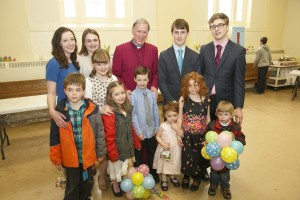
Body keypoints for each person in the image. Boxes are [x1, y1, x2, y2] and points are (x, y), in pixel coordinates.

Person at [49, 73, 106, 200]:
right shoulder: (59, 112)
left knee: (88, 182)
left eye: (78, 90)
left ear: (84, 91)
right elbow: (54, 138)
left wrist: (100, 152)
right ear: (65, 91)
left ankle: (86, 197)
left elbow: (100, 132)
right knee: (72, 186)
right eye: (70, 90)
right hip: (69, 158)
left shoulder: (92, 109)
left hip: (88, 155)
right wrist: (56, 158)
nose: (74, 93)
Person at [198, 13, 246, 124]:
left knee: (224, 137)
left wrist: (238, 107)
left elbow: (239, 81)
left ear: (227, 27)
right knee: (206, 133)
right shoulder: (205, 49)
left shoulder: (238, 51)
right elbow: (199, 76)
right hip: (206, 101)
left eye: (220, 25)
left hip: (226, 103)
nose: (216, 29)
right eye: (213, 26)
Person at [84, 49, 117, 194]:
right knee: (102, 149)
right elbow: (87, 103)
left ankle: (112, 174)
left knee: (112, 148)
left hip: (113, 120)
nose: (103, 67)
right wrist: (100, 109)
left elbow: (118, 96)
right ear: (93, 65)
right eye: (99, 64)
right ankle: (101, 176)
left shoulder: (113, 78)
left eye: (105, 63)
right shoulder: (89, 81)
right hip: (97, 121)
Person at [102, 81, 141, 197]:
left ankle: (126, 183)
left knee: (127, 168)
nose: (121, 96)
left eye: (123, 93)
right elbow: (109, 137)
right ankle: (115, 184)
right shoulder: (109, 113)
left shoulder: (127, 109)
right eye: (117, 94)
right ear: (110, 97)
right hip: (116, 149)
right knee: (116, 169)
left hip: (128, 146)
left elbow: (131, 127)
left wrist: (137, 142)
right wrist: (112, 153)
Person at [205, 101, 246, 200]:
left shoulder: (235, 126)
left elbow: (242, 139)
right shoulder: (212, 125)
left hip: (228, 155)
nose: (223, 117)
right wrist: (205, 142)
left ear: (232, 114)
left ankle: (225, 187)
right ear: (216, 114)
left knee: (225, 173)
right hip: (215, 155)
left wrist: (235, 139)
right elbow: (206, 137)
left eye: (226, 114)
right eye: (220, 114)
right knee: (214, 171)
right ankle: (213, 185)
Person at [178, 72, 210, 191]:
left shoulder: (205, 99)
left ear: (201, 86)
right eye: (190, 85)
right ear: (186, 86)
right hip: (187, 135)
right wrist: (178, 133)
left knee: (198, 157)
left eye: (196, 85)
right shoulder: (183, 99)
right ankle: (186, 175)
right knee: (187, 157)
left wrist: (208, 135)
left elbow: (208, 119)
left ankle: (197, 177)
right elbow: (180, 118)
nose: (193, 88)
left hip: (200, 136)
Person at [112, 18, 159, 99]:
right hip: (127, 97)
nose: (141, 35)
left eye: (144, 32)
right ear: (133, 31)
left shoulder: (153, 50)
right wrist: (124, 90)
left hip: (147, 96)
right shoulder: (120, 50)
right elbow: (116, 75)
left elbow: (155, 73)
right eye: (139, 31)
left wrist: (154, 86)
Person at [158, 18, 200, 104]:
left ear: (187, 34)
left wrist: (189, 100)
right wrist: (171, 101)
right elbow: (161, 81)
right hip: (170, 104)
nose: (179, 36)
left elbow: (197, 81)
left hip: (190, 103)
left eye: (183, 32)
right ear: (172, 33)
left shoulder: (195, 56)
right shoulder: (164, 56)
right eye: (176, 32)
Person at [131, 66, 160, 183]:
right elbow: (133, 116)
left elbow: (155, 112)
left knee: (152, 153)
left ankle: (153, 173)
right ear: (134, 80)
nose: (142, 83)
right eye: (139, 80)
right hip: (140, 132)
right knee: (138, 155)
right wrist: (138, 132)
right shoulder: (133, 96)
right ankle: (138, 175)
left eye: (144, 80)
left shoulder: (151, 94)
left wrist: (157, 128)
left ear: (148, 80)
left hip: (151, 130)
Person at [46, 27, 80, 128]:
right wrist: (52, 111)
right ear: (59, 43)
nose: (70, 43)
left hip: (77, 108)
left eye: (72, 39)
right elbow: (51, 93)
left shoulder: (74, 61)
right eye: (65, 40)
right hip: (64, 109)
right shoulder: (53, 63)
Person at [153, 102, 183, 191]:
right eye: (169, 116)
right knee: (165, 164)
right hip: (165, 149)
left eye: (174, 115)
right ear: (165, 115)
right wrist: (163, 144)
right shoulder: (163, 126)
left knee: (174, 163)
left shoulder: (178, 125)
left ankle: (172, 177)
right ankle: (164, 180)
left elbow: (181, 135)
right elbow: (157, 136)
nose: (172, 118)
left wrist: (177, 130)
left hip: (176, 149)